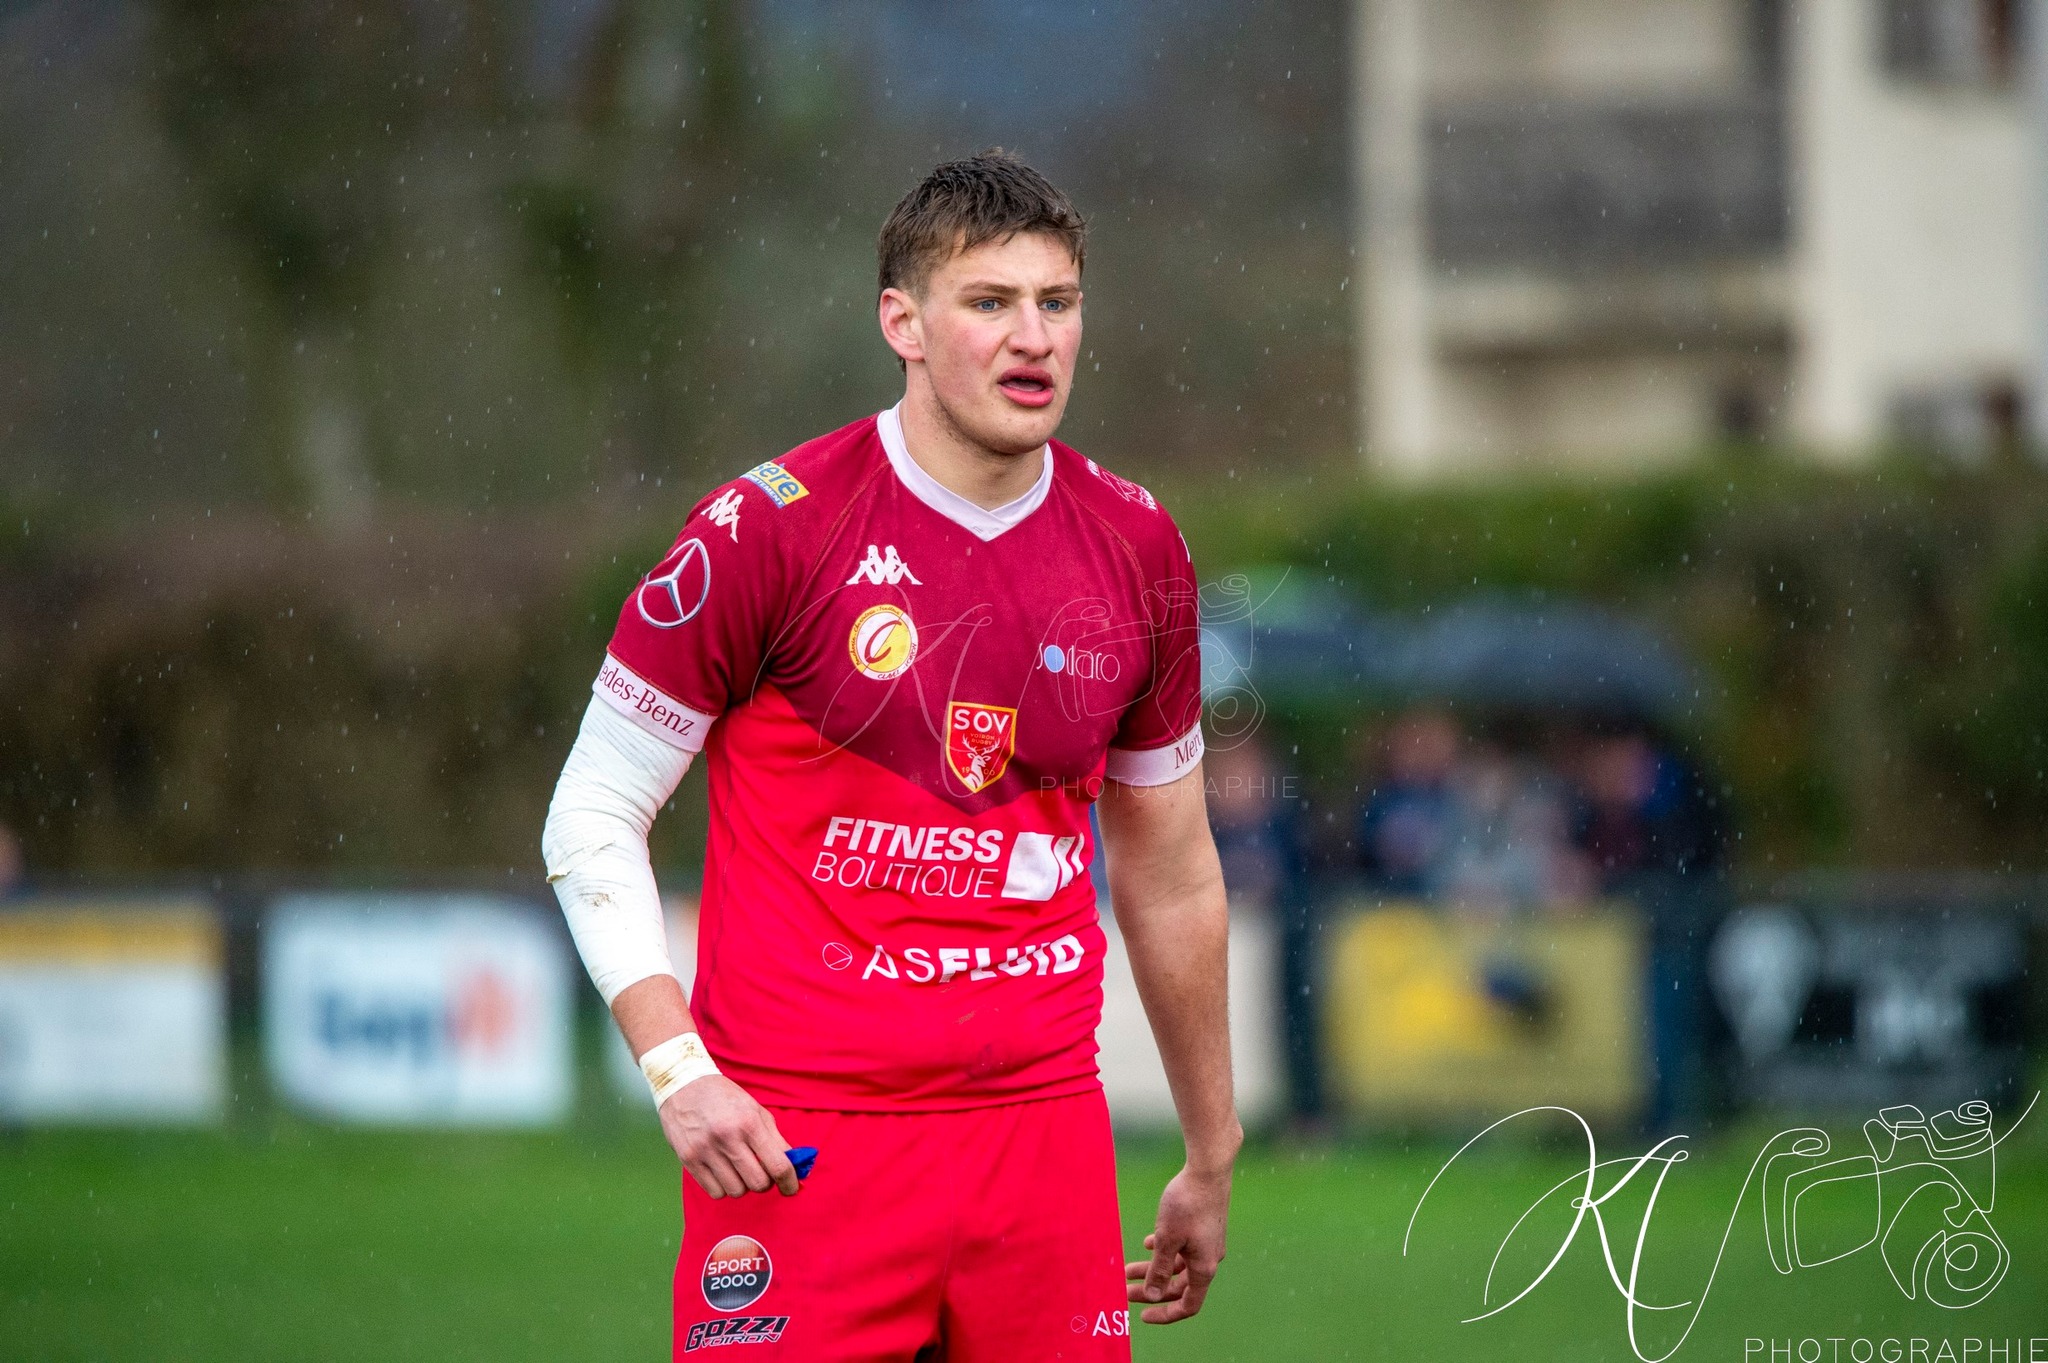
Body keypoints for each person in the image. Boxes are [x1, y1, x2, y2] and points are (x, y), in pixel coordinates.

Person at [542, 150, 1238, 1361]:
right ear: (901, 323)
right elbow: (591, 811)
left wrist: (1209, 1148)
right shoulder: (767, 528)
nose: (1033, 338)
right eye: (989, 302)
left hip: (1041, 1135)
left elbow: (1171, 872)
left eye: (1056, 303)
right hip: (798, 1142)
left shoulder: (1135, 547)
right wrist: (675, 1070)